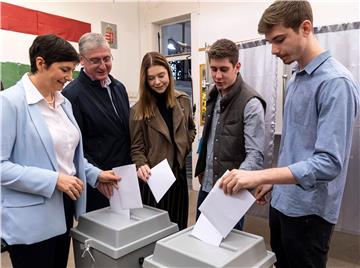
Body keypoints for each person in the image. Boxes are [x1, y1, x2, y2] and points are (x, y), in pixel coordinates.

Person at [220, 1, 360, 267]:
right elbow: (298, 147)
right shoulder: (296, 77)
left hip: (309, 214)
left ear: (305, 28)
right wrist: (275, 181)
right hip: (282, 203)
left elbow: (328, 164)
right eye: (269, 42)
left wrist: (259, 174)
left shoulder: (335, 83)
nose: (273, 50)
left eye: (279, 40)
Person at [0, 34, 120, 268]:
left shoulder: (63, 102)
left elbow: (67, 155)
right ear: (41, 63)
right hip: (30, 219)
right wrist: (54, 180)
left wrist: (95, 174)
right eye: (64, 69)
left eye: (73, 69)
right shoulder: (10, 103)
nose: (70, 77)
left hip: (64, 209)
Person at [194, 38, 266, 230]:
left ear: (237, 66)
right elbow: (210, 137)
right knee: (199, 244)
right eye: (213, 69)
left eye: (223, 69)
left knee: (225, 251)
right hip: (207, 185)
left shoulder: (251, 103)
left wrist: (234, 183)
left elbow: (255, 156)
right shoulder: (213, 95)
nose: (217, 76)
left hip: (229, 192)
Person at [63, 33, 132, 212]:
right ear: (82, 61)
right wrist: (96, 175)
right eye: (95, 60)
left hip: (125, 176)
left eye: (107, 58)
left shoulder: (118, 87)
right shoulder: (72, 95)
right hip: (99, 181)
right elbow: (75, 147)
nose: (103, 66)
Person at [130, 52, 196, 230]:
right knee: (156, 231)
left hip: (179, 176)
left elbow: (191, 128)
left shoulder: (183, 101)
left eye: (161, 75)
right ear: (145, 80)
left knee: (178, 226)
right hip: (155, 178)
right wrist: (140, 164)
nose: (157, 82)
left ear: (169, 73)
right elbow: (136, 147)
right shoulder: (139, 110)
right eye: (151, 78)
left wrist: (183, 146)